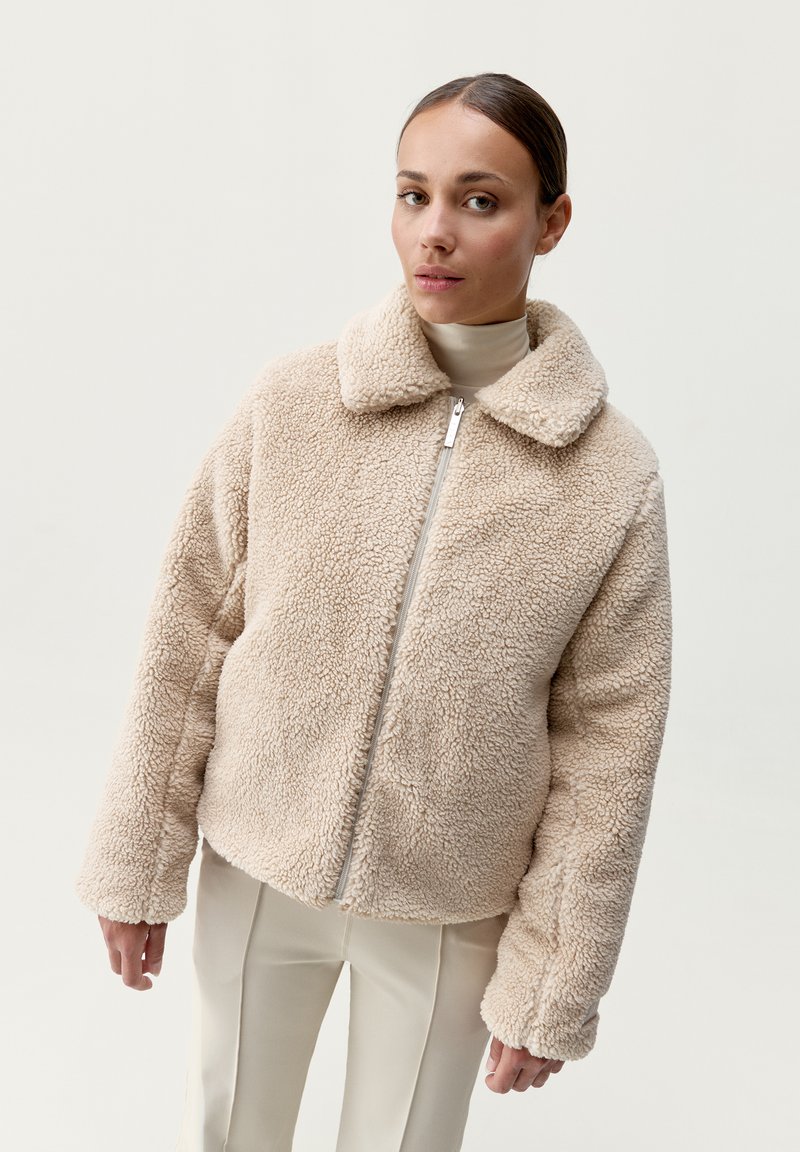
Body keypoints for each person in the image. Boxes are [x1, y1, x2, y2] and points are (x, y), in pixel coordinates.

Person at [75, 72, 672, 1151]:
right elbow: (189, 632)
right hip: (259, 861)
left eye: (479, 201)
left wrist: (553, 977)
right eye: (412, 194)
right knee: (226, 1131)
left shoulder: (607, 474)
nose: (434, 231)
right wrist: (139, 857)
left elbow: (609, 750)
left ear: (551, 222)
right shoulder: (293, 403)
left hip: (451, 901)